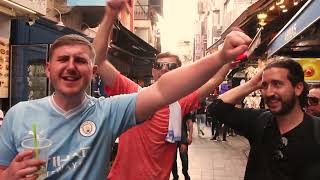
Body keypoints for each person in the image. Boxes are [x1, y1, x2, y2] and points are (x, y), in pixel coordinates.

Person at [92, 1, 250, 179]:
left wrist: (227, 59)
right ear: (153, 70)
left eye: (172, 67)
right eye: (160, 65)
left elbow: (215, 79)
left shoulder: (182, 101)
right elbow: (98, 61)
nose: (165, 70)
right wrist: (111, 14)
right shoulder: (132, 93)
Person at [208, 58, 320, 180]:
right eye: (264, 85)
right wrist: (252, 84)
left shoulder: (316, 131)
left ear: (298, 88)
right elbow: (216, 108)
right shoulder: (259, 120)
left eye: (277, 84)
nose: (269, 92)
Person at [171, 112, 194, 180]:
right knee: (172, 160)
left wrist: (190, 136)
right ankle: (175, 176)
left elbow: (190, 122)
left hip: (182, 139)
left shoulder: (184, 107)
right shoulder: (168, 107)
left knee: (184, 159)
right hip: (171, 138)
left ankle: (185, 173)